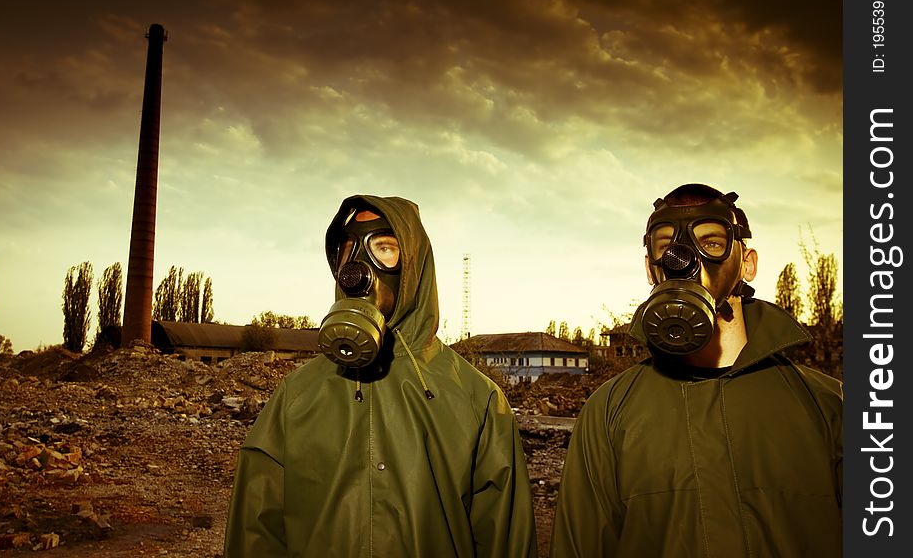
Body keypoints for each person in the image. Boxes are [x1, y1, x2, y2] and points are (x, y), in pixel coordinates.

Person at [225, 194, 537, 557]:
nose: (357, 266)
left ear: (414, 267)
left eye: (383, 248)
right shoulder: (296, 395)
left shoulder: (476, 399)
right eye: (348, 250)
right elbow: (255, 533)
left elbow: (505, 541)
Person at [551, 183, 842, 557]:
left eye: (712, 243)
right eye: (667, 248)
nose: (685, 260)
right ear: (651, 268)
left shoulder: (828, 406)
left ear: (747, 263)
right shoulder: (609, 412)